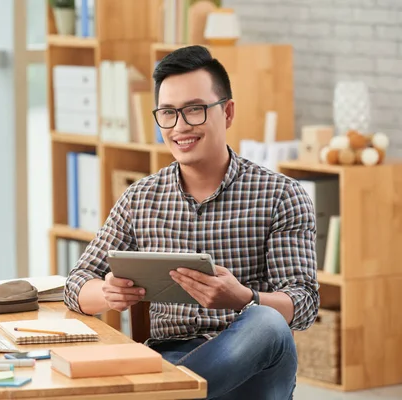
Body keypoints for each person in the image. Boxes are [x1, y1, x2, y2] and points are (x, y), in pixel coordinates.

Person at [63, 45, 319, 400]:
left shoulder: (281, 195)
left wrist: (243, 298)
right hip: (173, 358)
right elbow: (75, 285)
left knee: (266, 322)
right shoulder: (141, 198)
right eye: (168, 113)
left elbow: (304, 303)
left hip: (255, 371)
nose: (180, 126)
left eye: (195, 110)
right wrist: (108, 293)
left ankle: (167, 395)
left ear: (227, 112)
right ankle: (175, 392)